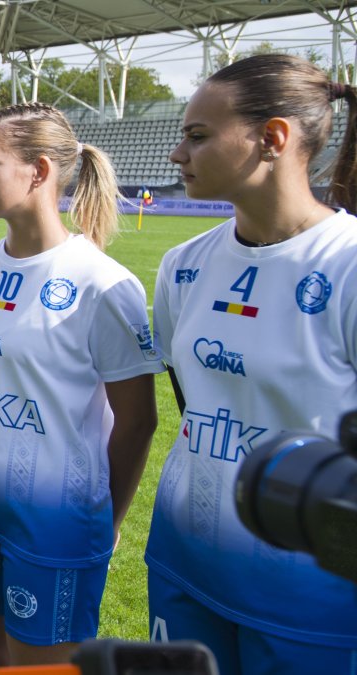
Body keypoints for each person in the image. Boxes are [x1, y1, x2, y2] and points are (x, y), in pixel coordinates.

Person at [148, 53, 357, 675]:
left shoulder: (345, 265)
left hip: (312, 592)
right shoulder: (182, 266)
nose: (177, 154)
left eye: (198, 135)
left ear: (273, 138)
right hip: (186, 561)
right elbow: (194, 405)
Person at [0, 103, 162, 674]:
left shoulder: (103, 284)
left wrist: (102, 524)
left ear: (38, 172)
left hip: (54, 522)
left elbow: (138, 422)